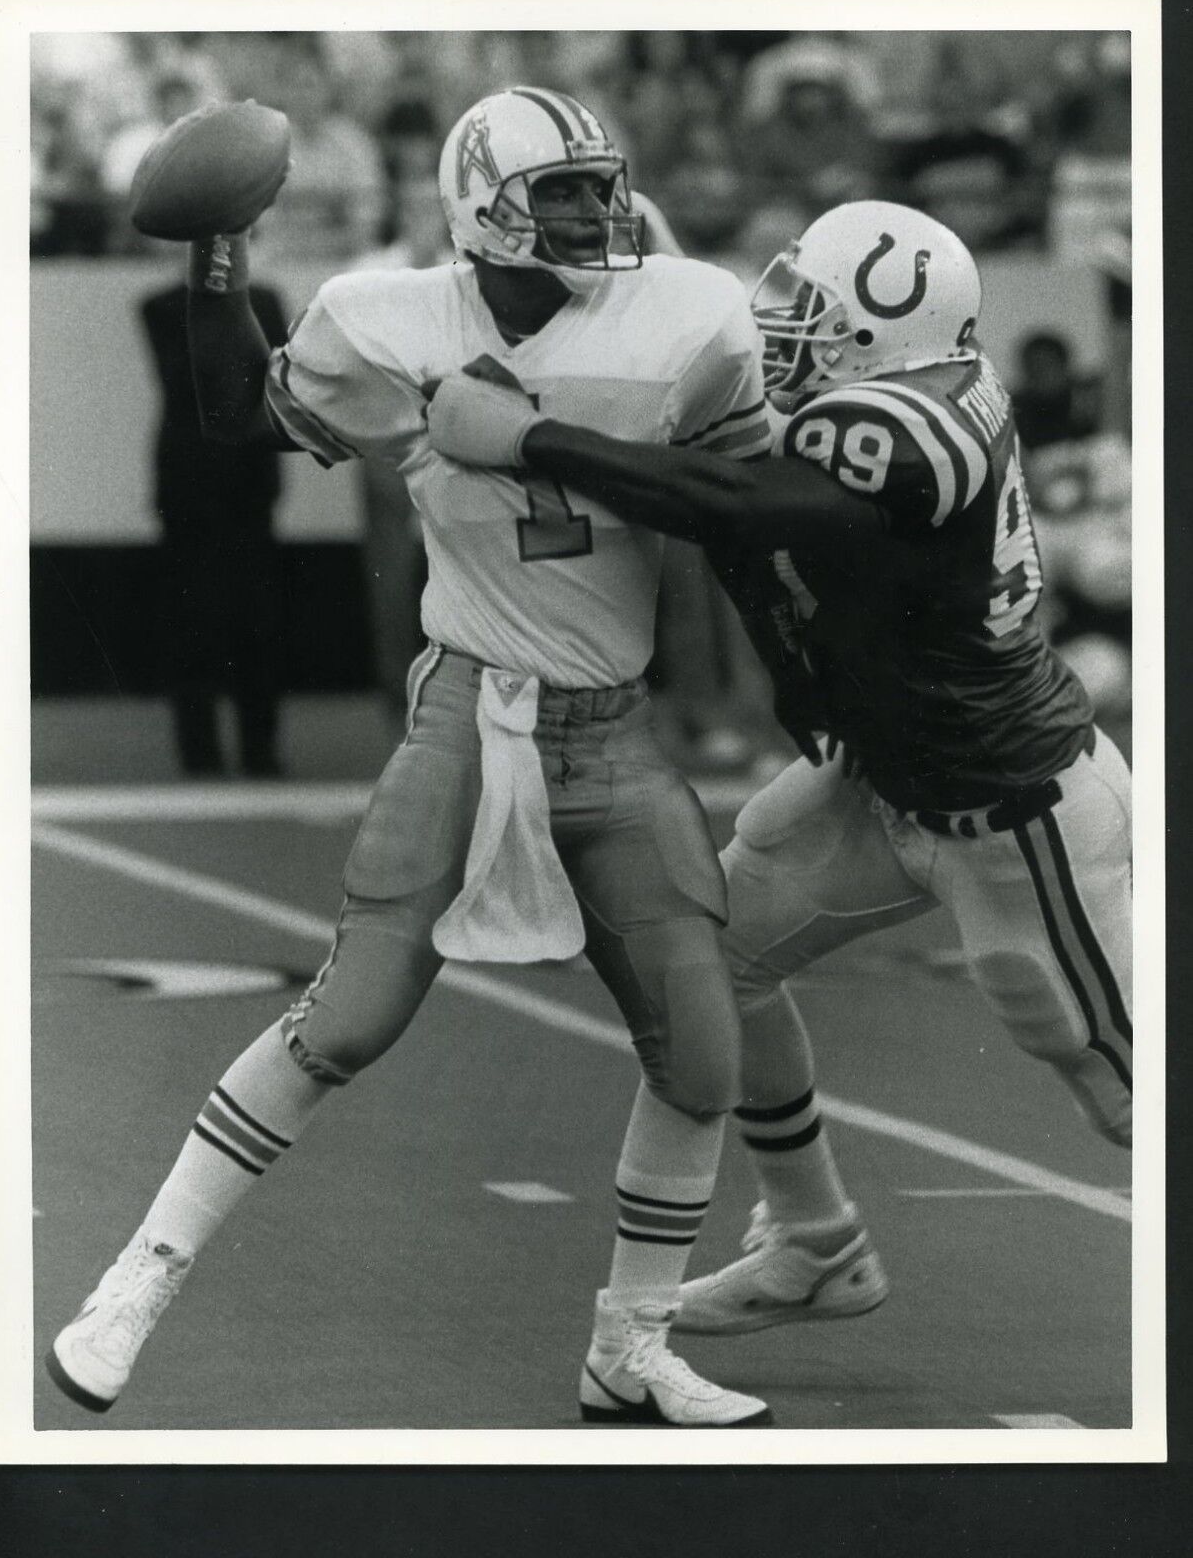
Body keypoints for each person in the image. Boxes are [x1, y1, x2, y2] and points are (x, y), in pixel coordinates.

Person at [46, 87, 777, 1427]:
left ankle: (630, 1346)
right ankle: (135, 1280)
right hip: (470, 709)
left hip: (610, 727)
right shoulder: (383, 322)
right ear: (482, 204)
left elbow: (749, 500)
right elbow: (232, 412)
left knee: (702, 1053)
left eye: (599, 187)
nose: (594, 214)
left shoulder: (688, 315)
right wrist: (220, 253)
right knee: (354, 1012)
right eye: (560, 192)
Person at [424, 198, 1132, 1336]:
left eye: (808, 307)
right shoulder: (878, 393)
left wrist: (533, 438)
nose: (778, 324)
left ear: (879, 331)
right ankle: (815, 1244)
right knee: (712, 965)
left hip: (1016, 811)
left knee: (1123, 1089)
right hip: (883, 781)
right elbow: (745, 464)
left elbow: (743, 502)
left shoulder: (921, 426)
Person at [139, 277, 289, 776]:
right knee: (192, 620)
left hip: (245, 478)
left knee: (258, 619)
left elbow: (270, 382)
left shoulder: (263, 301)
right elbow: (194, 380)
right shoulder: (163, 306)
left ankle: (258, 745)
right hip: (192, 482)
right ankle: (199, 749)